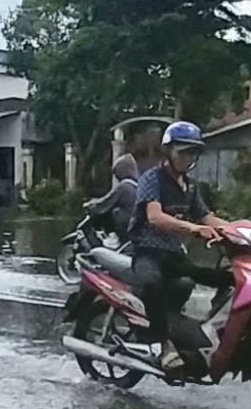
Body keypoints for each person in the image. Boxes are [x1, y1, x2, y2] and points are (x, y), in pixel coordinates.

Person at [128, 122, 232, 376]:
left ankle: (181, 331)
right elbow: (155, 217)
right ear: (168, 152)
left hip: (173, 256)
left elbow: (208, 218)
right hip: (147, 253)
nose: (188, 158)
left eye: (192, 153)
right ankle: (163, 345)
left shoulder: (191, 187)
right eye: (182, 152)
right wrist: (193, 230)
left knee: (212, 278)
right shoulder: (151, 179)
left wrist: (249, 230)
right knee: (152, 283)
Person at [83, 152, 139, 238]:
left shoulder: (124, 187)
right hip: (135, 225)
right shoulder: (136, 185)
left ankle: (113, 237)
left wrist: (90, 205)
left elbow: (106, 202)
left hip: (126, 225)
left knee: (115, 212)